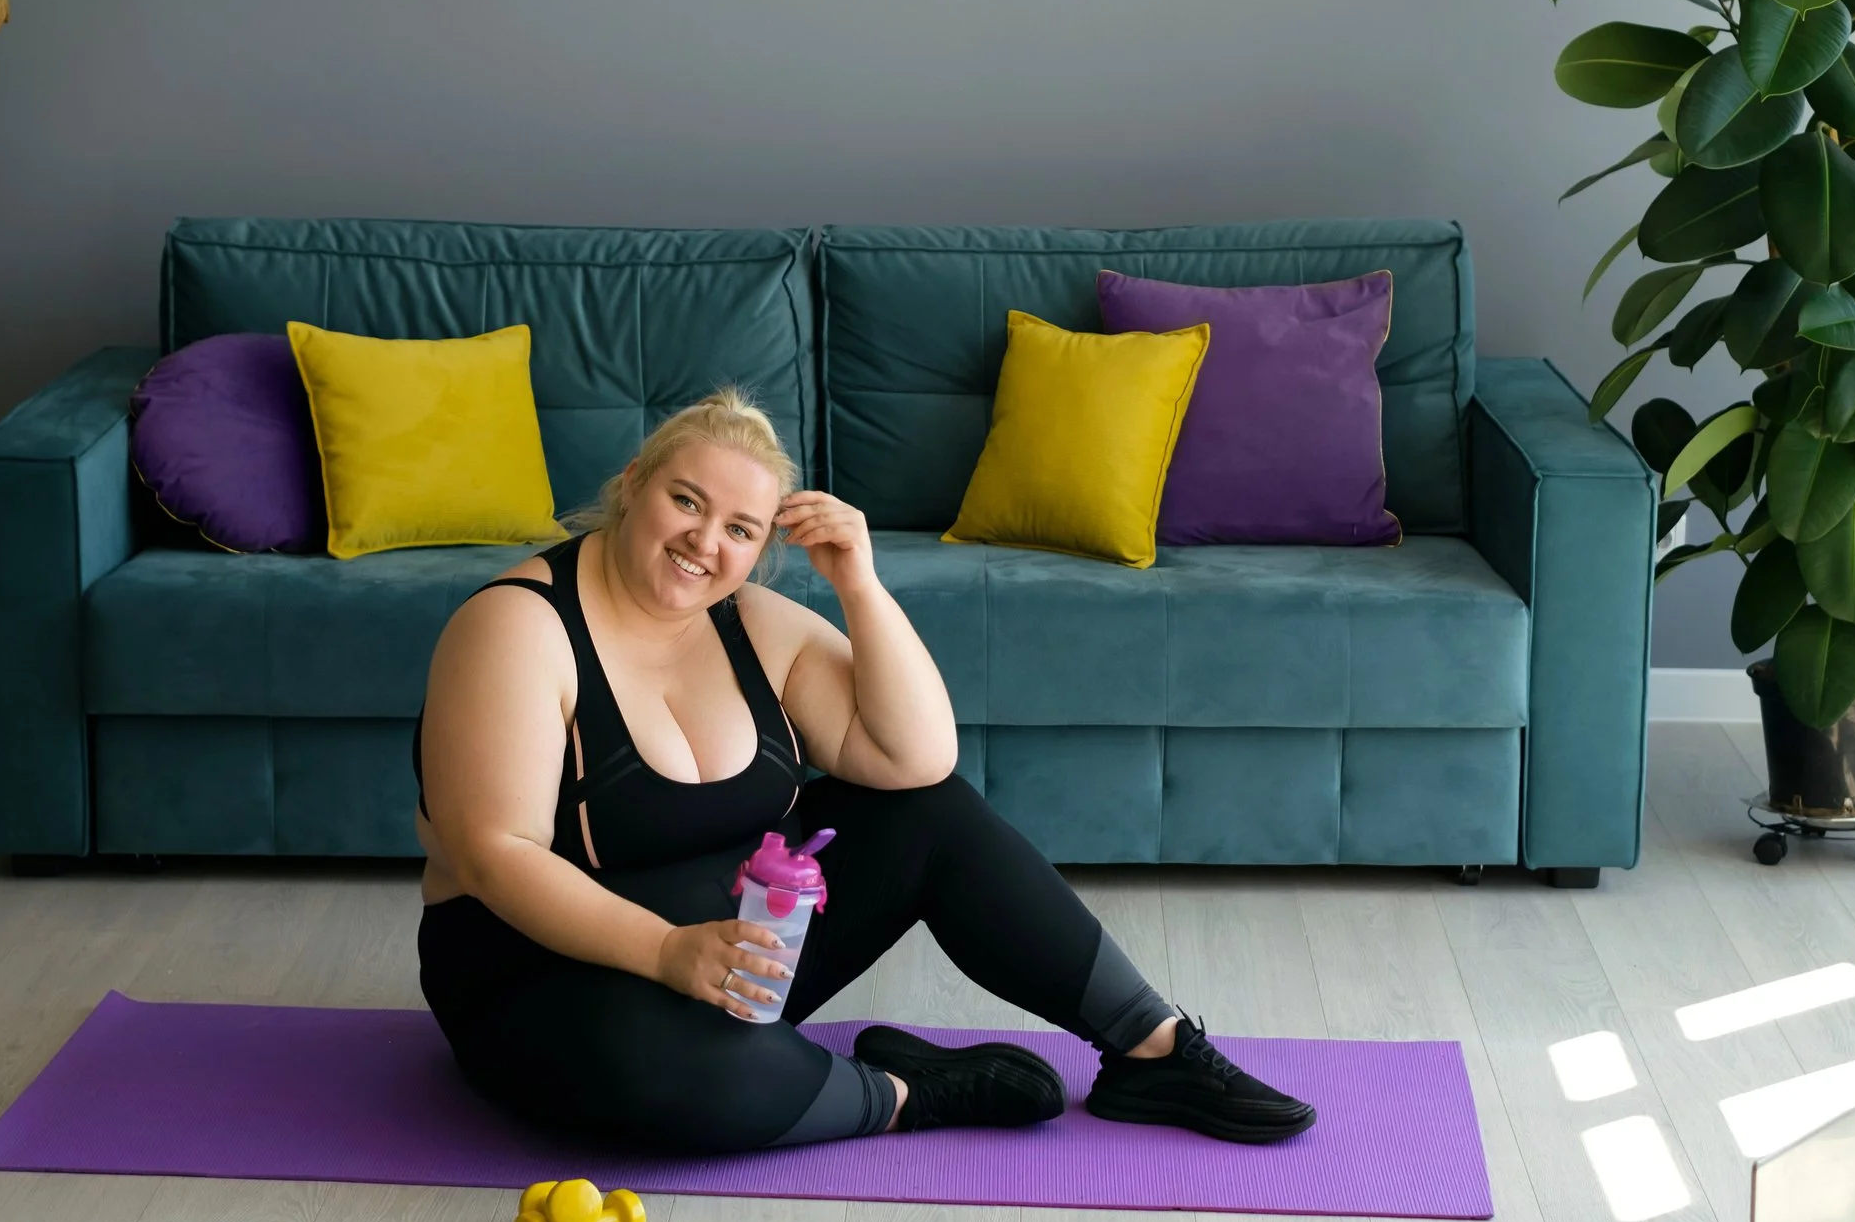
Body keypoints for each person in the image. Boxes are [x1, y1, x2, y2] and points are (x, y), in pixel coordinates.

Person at [411, 387, 1315, 1154]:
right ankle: (905, 1094)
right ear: (632, 486)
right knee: (663, 1081)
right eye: (685, 502)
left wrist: (859, 583)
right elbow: (497, 853)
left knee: (927, 812)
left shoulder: (754, 623)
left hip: (734, 967)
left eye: (738, 528)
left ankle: (1152, 1051)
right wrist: (665, 950)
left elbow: (916, 758)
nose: (704, 542)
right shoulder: (516, 629)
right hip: (543, 983)